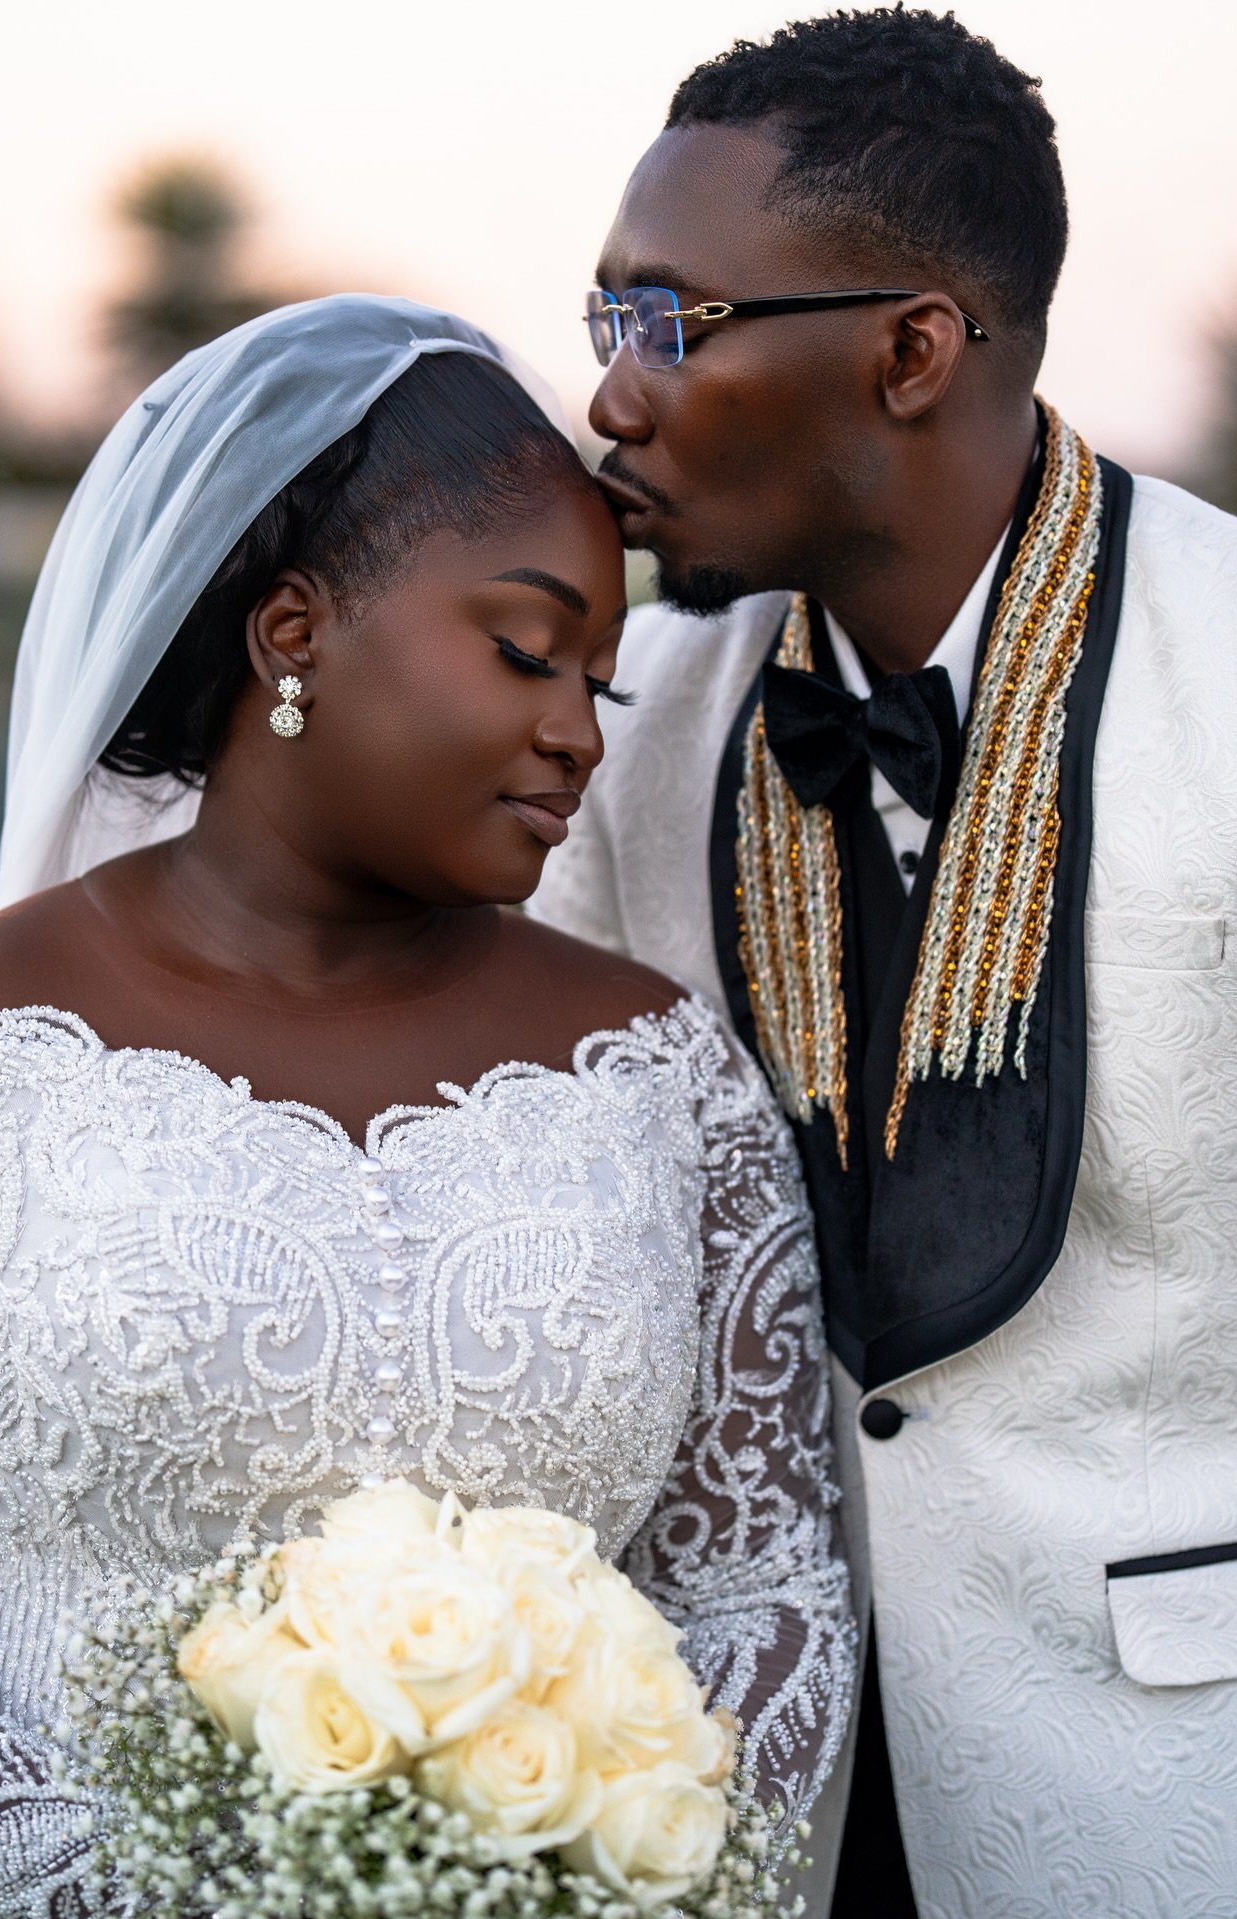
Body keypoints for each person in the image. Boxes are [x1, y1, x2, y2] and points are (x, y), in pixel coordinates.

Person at [0, 295, 854, 1918]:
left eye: (602, 679)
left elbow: (766, 1590)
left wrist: (604, 1886)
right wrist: (121, 1897)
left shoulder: (669, 1084)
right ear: (292, 631)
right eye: (523, 648)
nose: (574, 731)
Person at [531, 12, 1237, 1918]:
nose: (611, 397)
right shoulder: (626, 724)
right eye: (604, 321)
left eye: (668, 322)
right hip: (740, 1796)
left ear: (912, 349)